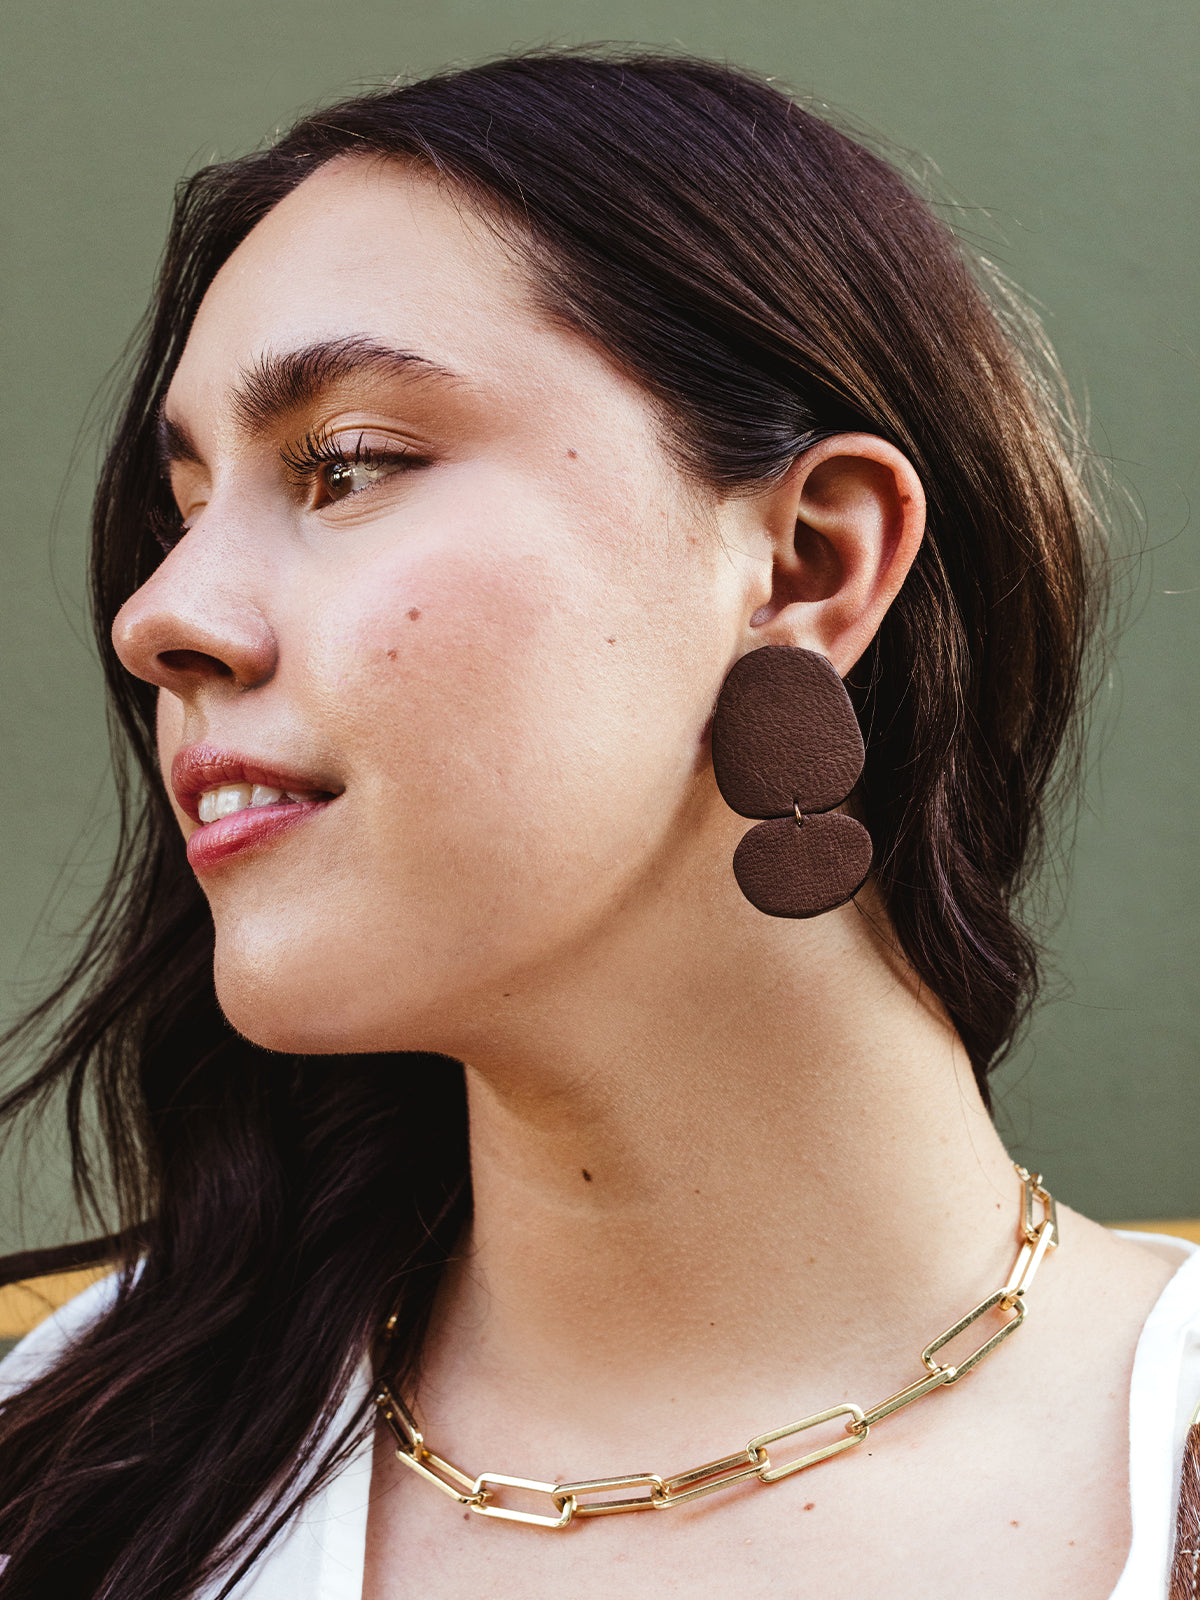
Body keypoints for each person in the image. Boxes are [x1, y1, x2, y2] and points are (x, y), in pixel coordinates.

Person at [0, 47, 1196, 1600]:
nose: (159, 618)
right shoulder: (67, 1480)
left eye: (347, 464)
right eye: (180, 513)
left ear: (810, 564)